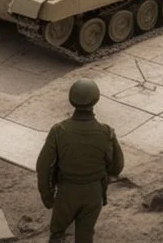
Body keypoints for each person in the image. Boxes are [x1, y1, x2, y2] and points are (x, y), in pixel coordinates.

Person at [36, 79, 125, 243]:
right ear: (95, 100)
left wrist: (48, 197)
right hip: (94, 193)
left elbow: (43, 166)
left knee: (57, 233)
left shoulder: (58, 131)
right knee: (85, 235)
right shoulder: (107, 133)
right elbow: (117, 167)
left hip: (67, 192)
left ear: (72, 100)